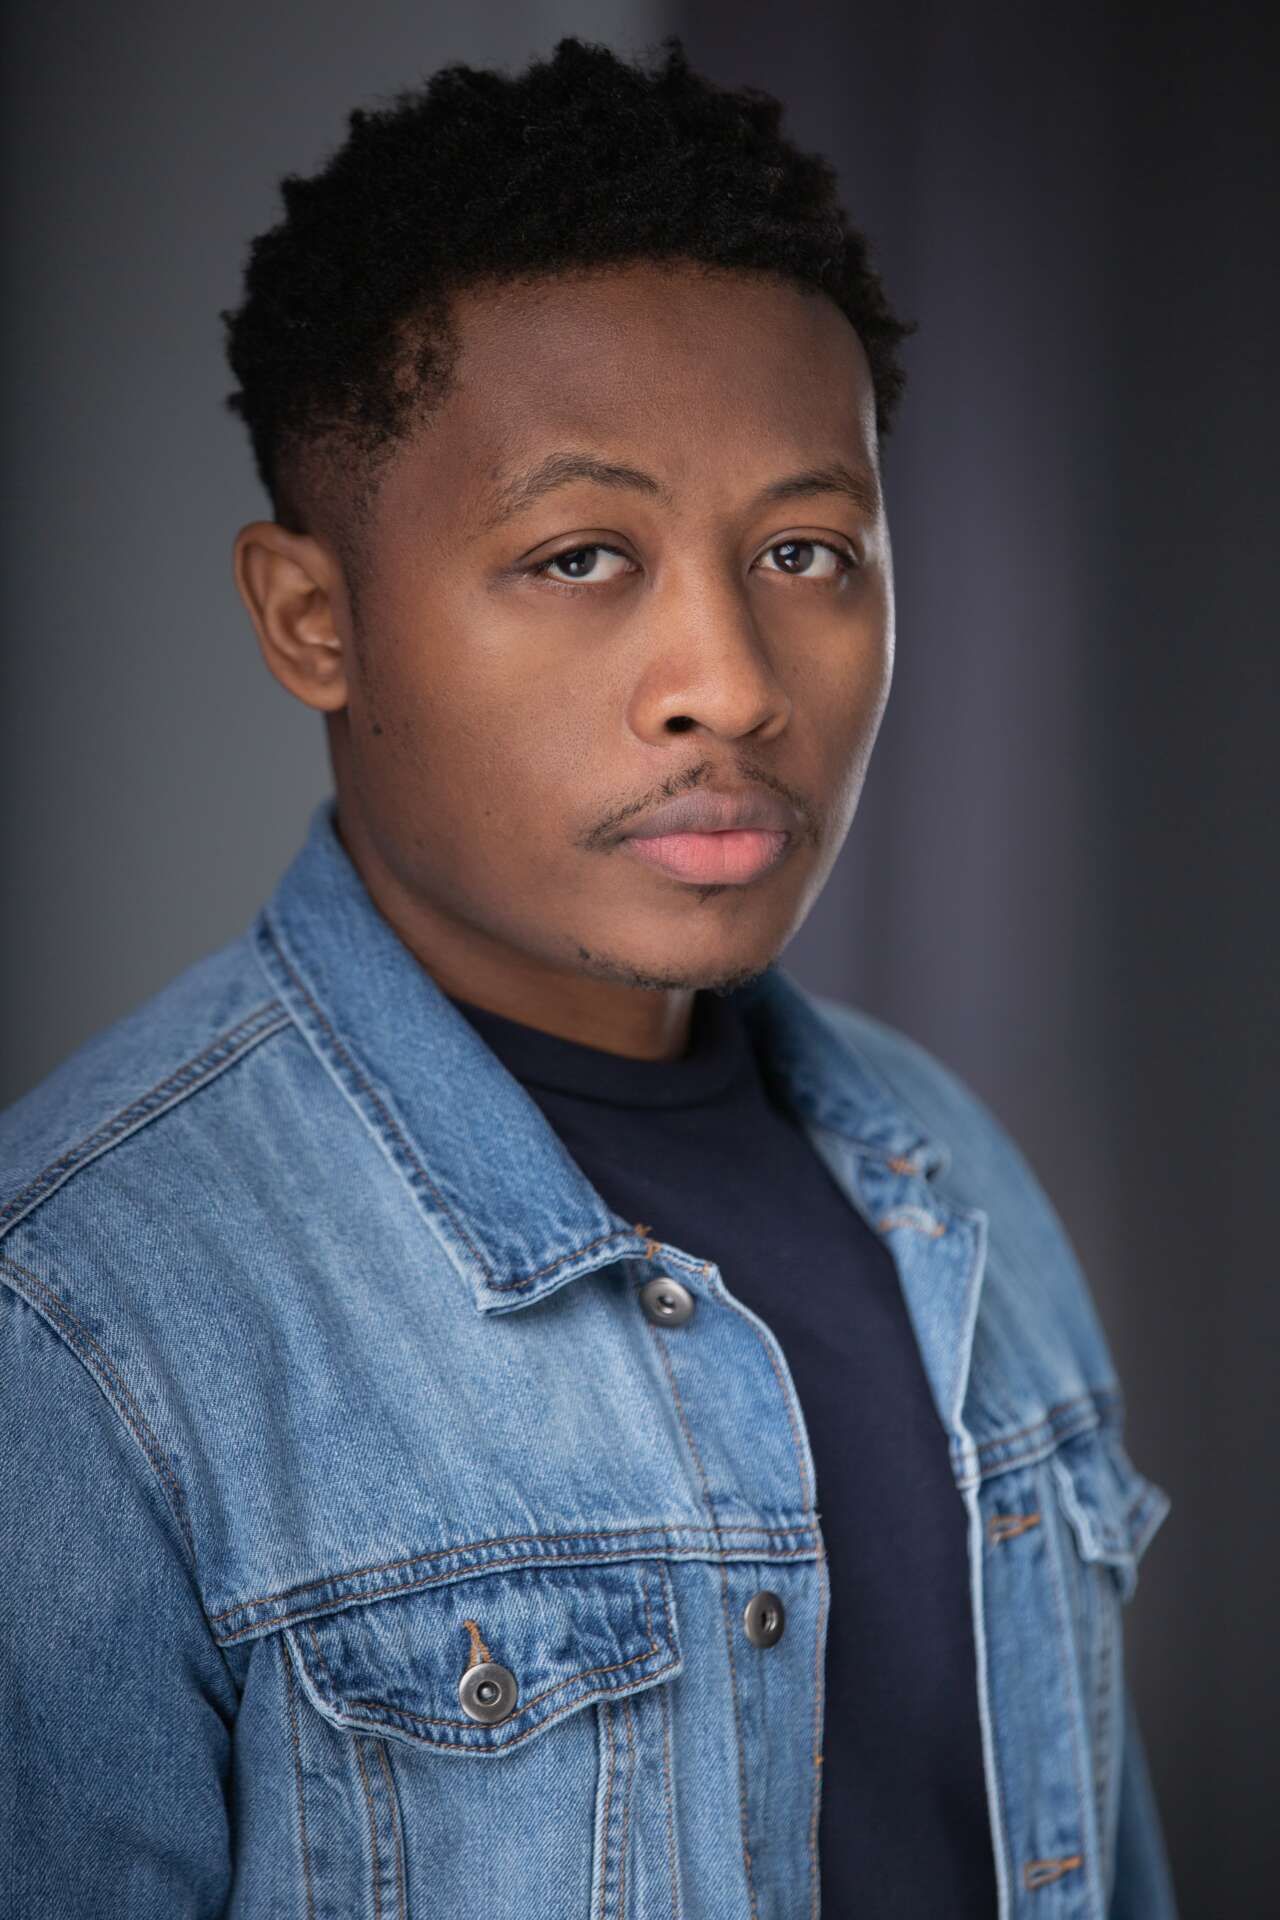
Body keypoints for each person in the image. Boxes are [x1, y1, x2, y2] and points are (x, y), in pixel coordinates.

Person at [0, 35, 1176, 1918]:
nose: (730, 682)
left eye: (807, 549)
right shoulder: (80, 1323)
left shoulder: (954, 1182)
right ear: (312, 618)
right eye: (579, 557)